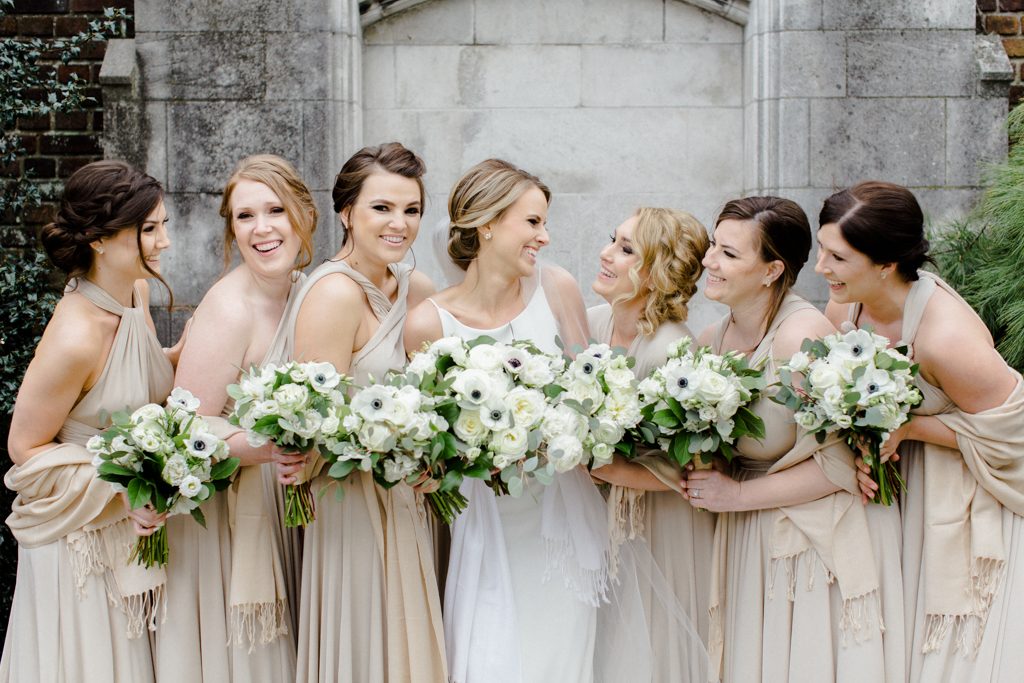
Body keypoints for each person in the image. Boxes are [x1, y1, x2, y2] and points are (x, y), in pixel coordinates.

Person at [406, 160, 707, 683]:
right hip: (487, 519)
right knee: (487, 656)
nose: (545, 237)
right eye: (533, 223)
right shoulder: (430, 322)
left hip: (562, 518)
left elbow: (588, 389)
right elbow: (429, 441)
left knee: (560, 660)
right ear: (488, 224)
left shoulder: (557, 289)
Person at [681, 196, 904, 682]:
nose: (709, 261)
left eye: (729, 253)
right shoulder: (708, 341)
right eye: (713, 246)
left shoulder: (798, 339)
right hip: (748, 536)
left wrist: (737, 494)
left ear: (771, 270)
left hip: (809, 544)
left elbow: (844, 462)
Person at [818, 181, 1024, 682]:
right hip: (897, 507)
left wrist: (909, 427)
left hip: (966, 503)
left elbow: (1012, 432)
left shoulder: (945, 337)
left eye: (838, 258)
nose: (821, 268)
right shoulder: (843, 309)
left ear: (886, 263)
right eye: (821, 250)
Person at [272, 142, 447, 683]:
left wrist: (434, 455)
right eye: (382, 208)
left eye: (411, 210)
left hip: (413, 498)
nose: (400, 223)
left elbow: (441, 392)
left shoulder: (416, 287)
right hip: (351, 503)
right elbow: (315, 421)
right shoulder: (334, 294)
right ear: (346, 212)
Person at [1, 161, 174, 681]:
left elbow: (136, 375)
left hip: (126, 529)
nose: (163, 241)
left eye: (164, 225)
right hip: (78, 531)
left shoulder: (134, 295)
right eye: (148, 229)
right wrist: (123, 488)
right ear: (99, 239)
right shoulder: (75, 337)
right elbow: (25, 448)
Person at [156, 155, 316, 680]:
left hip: (294, 502)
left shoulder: (307, 291)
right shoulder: (230, 307)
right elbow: (188, 428)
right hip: (232, 521)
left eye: (275, 210)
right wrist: (268, 445)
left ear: (305, 215)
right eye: (245, 216)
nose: (262, 228)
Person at [585, 207, 716, 677]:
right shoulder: (590, 323)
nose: (606, 254)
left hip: (659, 527)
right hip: (602, 518)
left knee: (649, 653)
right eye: (612, 239)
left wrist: (593, 465)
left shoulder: (673, 349)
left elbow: (695, 470)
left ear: (657, 271)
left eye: (625, 249)